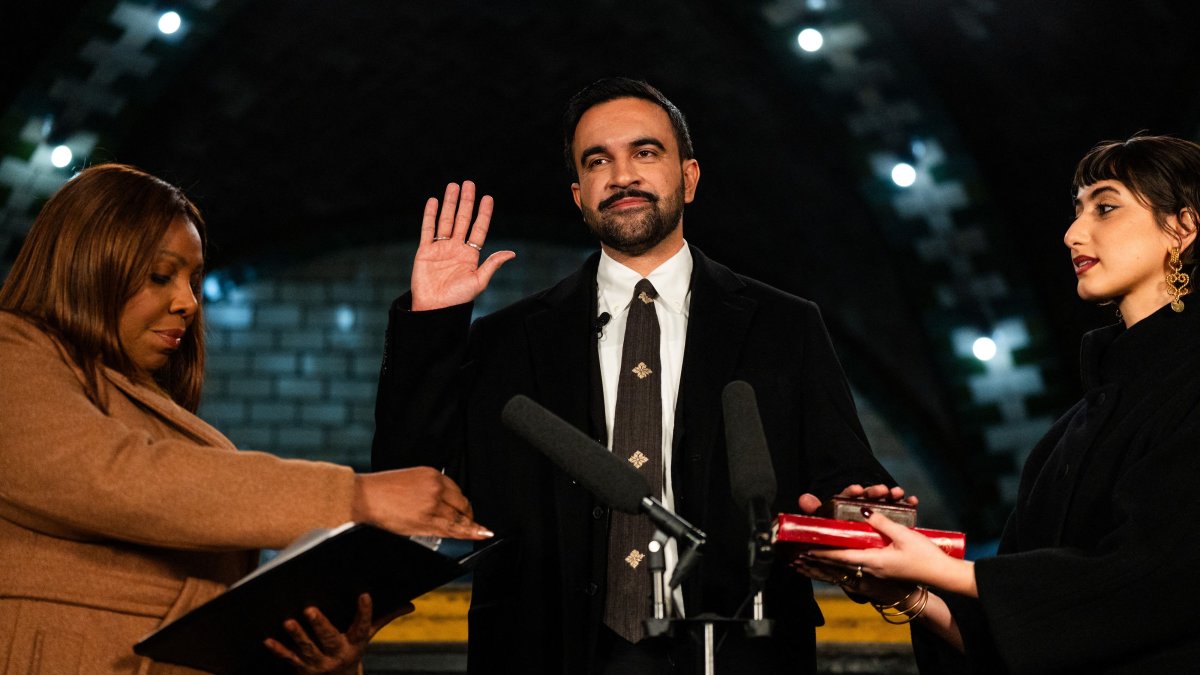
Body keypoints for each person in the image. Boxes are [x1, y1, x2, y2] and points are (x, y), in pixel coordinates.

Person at [372, 76, 907, 673]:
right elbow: (407, 476)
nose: (621, 175)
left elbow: (843, 481)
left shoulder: (786, 326)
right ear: (578, 195)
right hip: (544, 652)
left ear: (690, 177)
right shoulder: (504, 341)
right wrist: (432, 322)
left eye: (644, 153)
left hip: (737, 650)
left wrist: (852, 510)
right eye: (597, 161)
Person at [0, 163, 491, 674]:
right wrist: (358, 497)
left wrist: (317, 658)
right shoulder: (11, 351)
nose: (188, 303)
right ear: (87, 265)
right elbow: (103, 475)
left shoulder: (159, 415)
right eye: (160, 276)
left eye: (194, 280)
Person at [803, 134, 1200, 672]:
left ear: (1183, 227)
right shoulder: (1069, 433)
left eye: (1105, 207)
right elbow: (1022, 644)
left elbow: (1154, 580)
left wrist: (948, 571)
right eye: (1077, 211)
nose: (1072, 233)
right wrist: (904, 585)